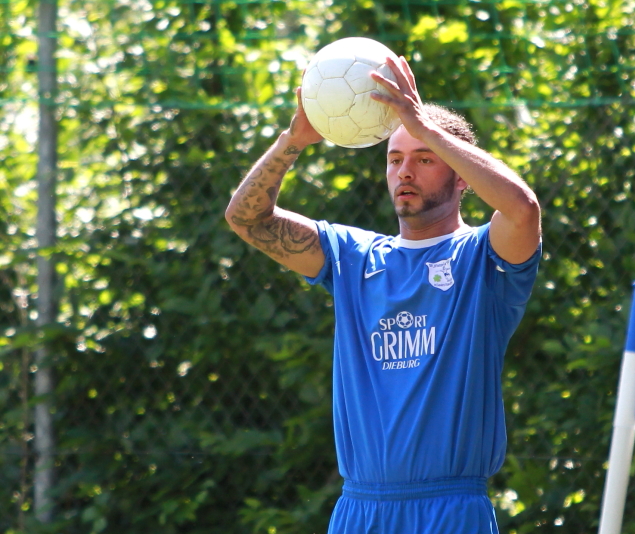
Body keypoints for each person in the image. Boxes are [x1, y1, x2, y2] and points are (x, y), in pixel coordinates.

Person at [226, 55, 542, 534]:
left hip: (450, 511)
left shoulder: (483, 256)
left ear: (460, 175)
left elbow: (523, 209)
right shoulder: (352, 257)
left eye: (424, 158)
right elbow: (246, 219)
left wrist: (425, 126)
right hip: (361, 511)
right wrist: (292, 141)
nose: (405, 172)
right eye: (395, 159)